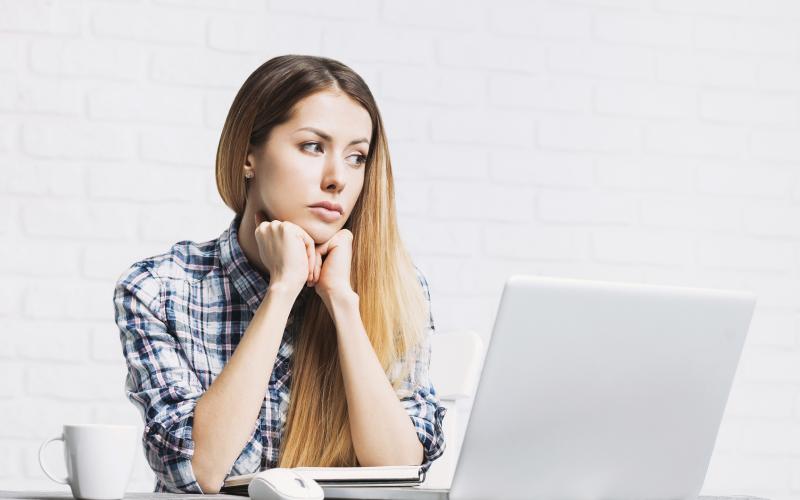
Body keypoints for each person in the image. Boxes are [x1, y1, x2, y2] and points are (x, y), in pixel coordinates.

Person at [112, 54, 446, 494]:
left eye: (356, 157)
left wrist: (343, 306)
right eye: (312, 146)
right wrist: (282, 291)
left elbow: (399, 471)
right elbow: (198, 472)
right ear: (249, 154)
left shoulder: (396, 289)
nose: (337, 179)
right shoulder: (160, 289)